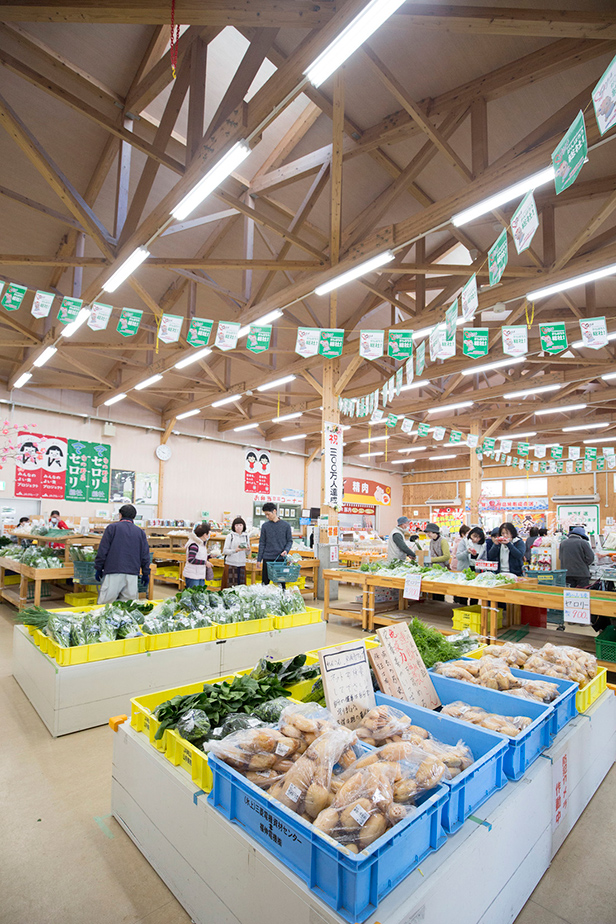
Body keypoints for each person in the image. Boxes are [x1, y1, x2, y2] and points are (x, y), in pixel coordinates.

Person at [94, 504, 151, 603]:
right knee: (128, 607)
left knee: (105, 605)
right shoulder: (140, 532)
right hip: (132, 573)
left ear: (120, 515)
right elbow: (145, 554)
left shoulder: (112, 528)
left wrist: (99, 567)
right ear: (134, 517)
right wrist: (146, 573)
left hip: (113, 571)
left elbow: (103, 550)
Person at [258, 502, 292, 588]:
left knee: (281, 583)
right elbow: (262, 543)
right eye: (265, 515)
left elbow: (289, 541)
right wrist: (259, 559)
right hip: (267, 559)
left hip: (280, 559)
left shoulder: (286, 526)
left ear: (274, 511)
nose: (267, 517)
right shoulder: (265, 526)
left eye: (268, 514)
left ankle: (282, 599)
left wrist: (286, 550)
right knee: (264, 584)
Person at [183, 522, 213, 588]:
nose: (209, 536)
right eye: (208, 534)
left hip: (199, 574)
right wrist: (205, 562)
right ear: (205, 534)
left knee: (200, 594)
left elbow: (199, 556)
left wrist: (209, 556)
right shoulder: (194, 545)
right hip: (192, 575)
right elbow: (191, 559)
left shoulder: (201, 544)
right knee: (194, 595)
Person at [223, 516, 248, 585]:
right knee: (230, 586)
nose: (239, 527)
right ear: (234, 526)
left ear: (243, 526)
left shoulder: (246, 536)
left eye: (240, 525)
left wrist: (248, 549)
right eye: (236, 525)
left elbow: (247, 553)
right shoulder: (230, 536)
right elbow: (225, 551)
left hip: (242, 564)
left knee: (241, 587)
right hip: (231, 564)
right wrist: (235, 550)